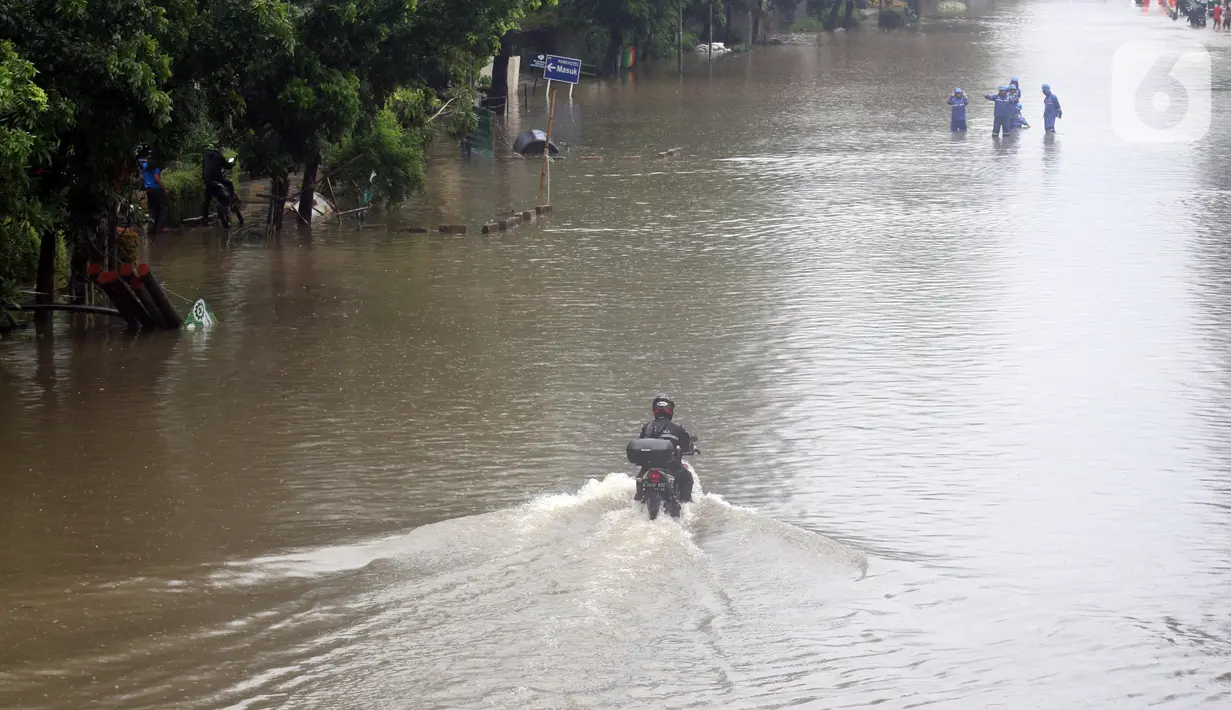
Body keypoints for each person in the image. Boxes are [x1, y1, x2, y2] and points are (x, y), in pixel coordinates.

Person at [633, 394, 695, 504]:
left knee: (640, 479)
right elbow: (686, 446)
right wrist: (691, 449)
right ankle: (686, 508)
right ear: (670, 410)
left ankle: (639, 502)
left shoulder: (647, 427)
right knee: (687, 479)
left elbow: (640, 443)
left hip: (648, 466)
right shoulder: (677, 428)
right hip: (671, 466)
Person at [201, 144, 241, 224]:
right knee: (229, 183)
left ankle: (205, 219)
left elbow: (203, 168)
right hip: (217, 180)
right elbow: (228, 166)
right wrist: (233, 163)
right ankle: (232, 199)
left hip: (208, 181)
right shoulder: (218, 156)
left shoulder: (205, 156)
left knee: (207, 200)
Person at [137, 153, 167, 234]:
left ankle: (151, 228)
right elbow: (156, 178)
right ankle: (160, 227)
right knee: (164, 207)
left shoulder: (145, 165)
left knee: (152, 209)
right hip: (156, 189)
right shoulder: (155, 166)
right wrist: (165, 189)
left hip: (148, 190)